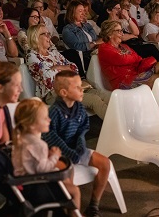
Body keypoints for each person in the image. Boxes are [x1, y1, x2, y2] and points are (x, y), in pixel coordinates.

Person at [42, 70, 110, 217]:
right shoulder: (55, 111)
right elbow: (50, 136)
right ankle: (73, 213)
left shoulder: (79, 107)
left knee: (105, 163)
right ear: (64, 92)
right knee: (69, 175)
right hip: (58, 153)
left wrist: (80, 146)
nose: (82, 89)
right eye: (77, 87)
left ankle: (93, 206)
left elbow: (83, 128)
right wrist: (70, 153)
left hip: (76, 150)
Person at [11, 99, 81, 215]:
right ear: (32, 125)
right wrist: (54, 156)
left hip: (25, 187)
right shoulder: (39, 145)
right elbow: (43, 169)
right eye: (45, 118)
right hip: (39, 188)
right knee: (75, 191)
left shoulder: (20, 140)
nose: (49, 120)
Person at [26, 24, 110, 119]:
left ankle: (122, 123)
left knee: (105, 96)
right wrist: (65, 68)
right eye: (45, 34)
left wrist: (57, 67)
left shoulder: (53, 53)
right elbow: (48, 78)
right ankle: (116, 126)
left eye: (49, 33)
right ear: (35, 37)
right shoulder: (32, 56)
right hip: (54, 94)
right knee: (94, 100)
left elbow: (75, 68)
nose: (49, 36)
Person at [98, 20, 159, 89]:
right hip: (124, 81)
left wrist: (130, 58)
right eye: (119, 31)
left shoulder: (124, 46)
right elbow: (123, 59)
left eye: (122, 31)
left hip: (137, 71)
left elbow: (137, 57)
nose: (122, 34)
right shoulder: (104, 48)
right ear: (109, 34)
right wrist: (131, 58)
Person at [62, 0, 102, 74]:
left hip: (95, 53)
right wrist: (95, 43)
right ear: (72, 13)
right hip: (83, 58)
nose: (84, 13)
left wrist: (97, 43)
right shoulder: (67, 30)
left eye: (84, 11)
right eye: (80, 11)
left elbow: (95, 38)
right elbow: (78, 47)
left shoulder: (87, 25)